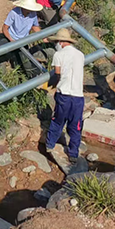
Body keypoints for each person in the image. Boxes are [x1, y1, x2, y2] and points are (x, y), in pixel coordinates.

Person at [45, 28, 86, 164]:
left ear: (61, 42)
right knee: (76, 125)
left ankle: (50, 145)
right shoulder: (80, 54)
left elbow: (58, 73)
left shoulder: (59, 54)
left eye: (57, 41)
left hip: (64, 95)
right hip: (78, 96)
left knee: (57, 120)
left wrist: (52, 86)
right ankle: (73, 153)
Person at [1, 0, 42, 78]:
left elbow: (35, 27)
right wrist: (11, 40)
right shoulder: (14, 13)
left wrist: (44, 37)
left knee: (25, 59)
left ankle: (33, 76)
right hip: (12, 39)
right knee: (18, 59)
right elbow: (5, 28)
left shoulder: (33, 14)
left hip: (23, 41)